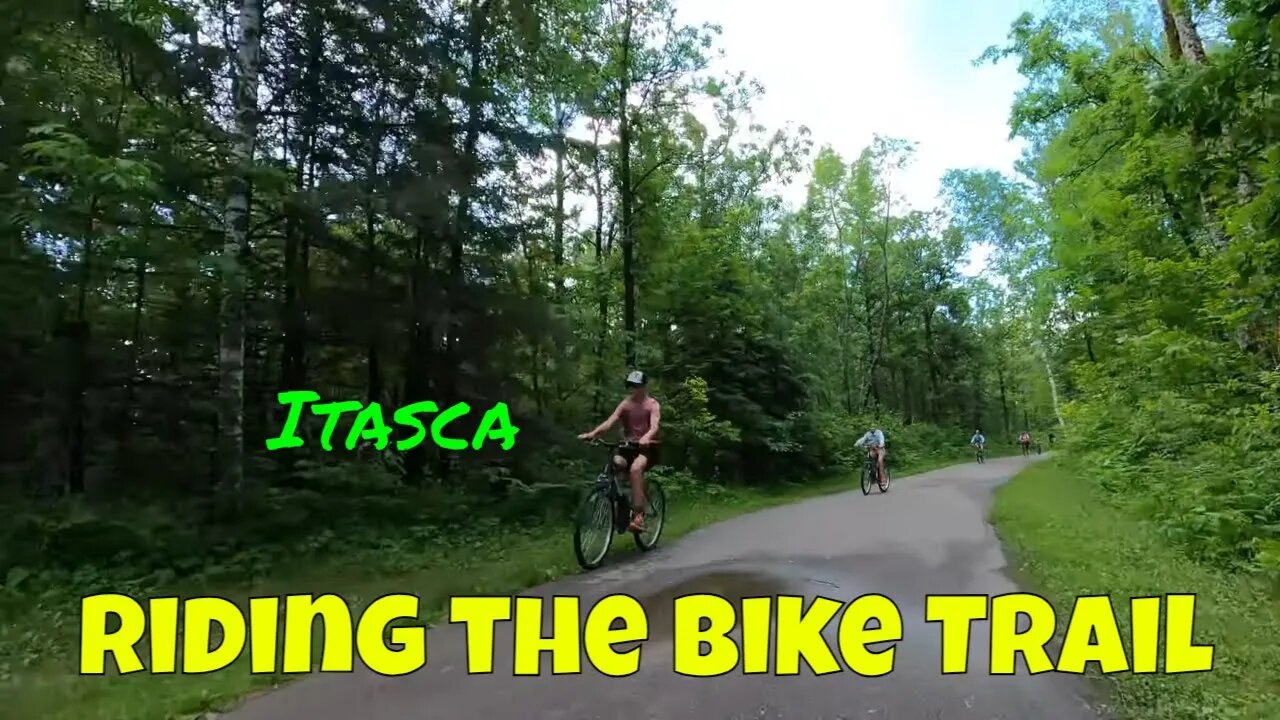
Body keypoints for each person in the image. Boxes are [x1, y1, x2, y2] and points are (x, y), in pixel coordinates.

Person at [578, 370, 661, 532]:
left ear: (644, 387)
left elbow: (655, 425)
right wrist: (593, 434)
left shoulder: (652, 404)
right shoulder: (626, 404)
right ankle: (621, 507)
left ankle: (638, 515)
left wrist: (646, 436)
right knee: (615, 463)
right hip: (627, 447)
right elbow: (610, 421)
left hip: (645, 448)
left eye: (637, 386)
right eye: (631, 386)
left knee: (636, 469)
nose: (634, 390)